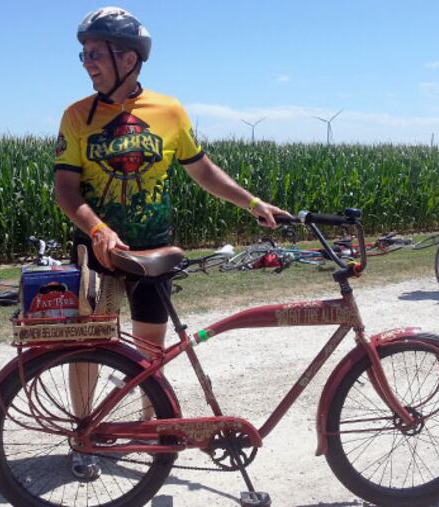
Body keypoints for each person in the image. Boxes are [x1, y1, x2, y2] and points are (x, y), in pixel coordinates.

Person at [52, 7, 287, 480]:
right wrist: (98, 229)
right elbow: (66, 190)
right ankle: (84, 433)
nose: (87, 62)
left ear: (129, 58)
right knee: (89, 345)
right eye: (84, 54)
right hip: (96, 250)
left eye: (96, 53)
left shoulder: (169, 111)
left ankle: (143, 426)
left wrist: (252, 203)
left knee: (149, 350)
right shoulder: (77, 115)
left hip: (151, 251)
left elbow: (202, 170)